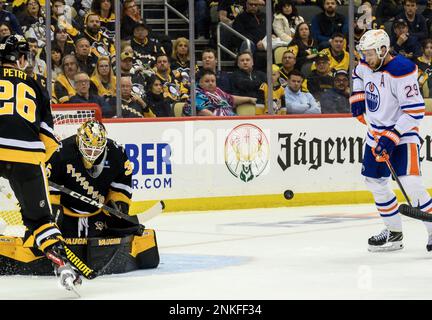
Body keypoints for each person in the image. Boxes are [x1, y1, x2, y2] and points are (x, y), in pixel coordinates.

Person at [0, 35, 81, 288]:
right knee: (41, 220)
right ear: (22, 59)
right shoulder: (36, 84)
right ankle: (63, 267)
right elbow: (47, 136)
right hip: (27, 154)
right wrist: (43, 166)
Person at [350, 29, 432, 252]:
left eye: (370, 53)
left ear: (383, 50)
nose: (366, 58)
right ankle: (394, 232)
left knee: (412, 185)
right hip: (375, 134)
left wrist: (392, 136)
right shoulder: (366, 64)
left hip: (402, 134)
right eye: (364, 53)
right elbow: (357, 74)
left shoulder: (402, 71)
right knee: (374, 182)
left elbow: (415, 111)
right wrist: (357, 96)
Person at [46, 119, 143, 239]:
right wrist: (52, 210)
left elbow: (122, 184)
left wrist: (118, 204)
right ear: (79, 139)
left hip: (98, 213)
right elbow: (50, 187)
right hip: (66, 213)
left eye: (96, 150)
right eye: (87, 149)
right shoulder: (61, 153)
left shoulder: (116, 153)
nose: (91, 154)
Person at [183, 69, 256, 116]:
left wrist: (249, 99)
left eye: (213, 81)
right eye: (207, 81)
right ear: (200, 83)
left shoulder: (217, 91)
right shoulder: (197, 93)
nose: (211, 83)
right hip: (215, 125)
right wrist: (218, 122)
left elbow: (231, 98)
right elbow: (202, 111)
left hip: (230, 121)